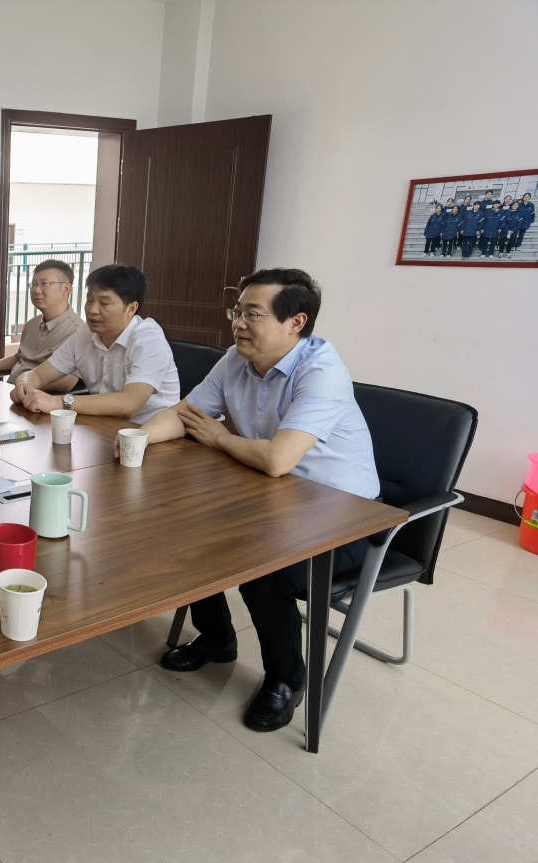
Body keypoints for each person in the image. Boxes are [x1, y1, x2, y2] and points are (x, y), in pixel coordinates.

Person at [140, 268, 379, 732]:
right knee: (181, 524)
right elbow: (186, 414)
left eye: (253, 314)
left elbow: (277, 460)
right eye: (237, 312)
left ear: (296, 322)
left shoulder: (322, 371)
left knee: (260, 565)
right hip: (274, 498)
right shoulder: (236, 359)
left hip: (346, 515)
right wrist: (139, 439)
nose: (239, 323)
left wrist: (218, 438)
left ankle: (287, 679)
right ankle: (217, 637)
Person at [10, 263, 179, 423]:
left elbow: (129, 404)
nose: (92, 310)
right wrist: (25, 384)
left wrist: (59, 402)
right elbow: (38, 374)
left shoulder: (148, 339)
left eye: (104, 303)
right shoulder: (85, 334)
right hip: (103, 426)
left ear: (131, 308)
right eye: (90, 300)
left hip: (151, 434)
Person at [0, 259, 84, 389]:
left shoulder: (78, 332)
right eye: (34, 284)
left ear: (66, 288)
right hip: (11, 393)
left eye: (44, 284)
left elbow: (68, 382)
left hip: (36, 397)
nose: (36, 290)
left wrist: (25, 384)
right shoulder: (32, 325)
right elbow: (20, 357)